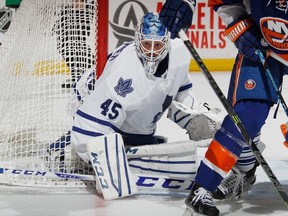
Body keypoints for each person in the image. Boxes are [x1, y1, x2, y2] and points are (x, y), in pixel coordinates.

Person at [70, 12, 223, 200]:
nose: (151, 51)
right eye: (146, 44)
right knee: (174, 167)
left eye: (157, 45)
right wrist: (99, 158)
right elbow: (91, 124)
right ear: (138, 40)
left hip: (133, 125)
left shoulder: (179, 52)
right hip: (90, 109)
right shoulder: (126, 74)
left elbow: (175, 92)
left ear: (167, 42)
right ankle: (67, 149)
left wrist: (192, 117)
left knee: (184, 164)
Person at [160, 0, 288, 215]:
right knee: (246, 117)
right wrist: (238, 23)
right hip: (263, 47)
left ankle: (242, 170)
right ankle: (203, 188)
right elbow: (226, 3)